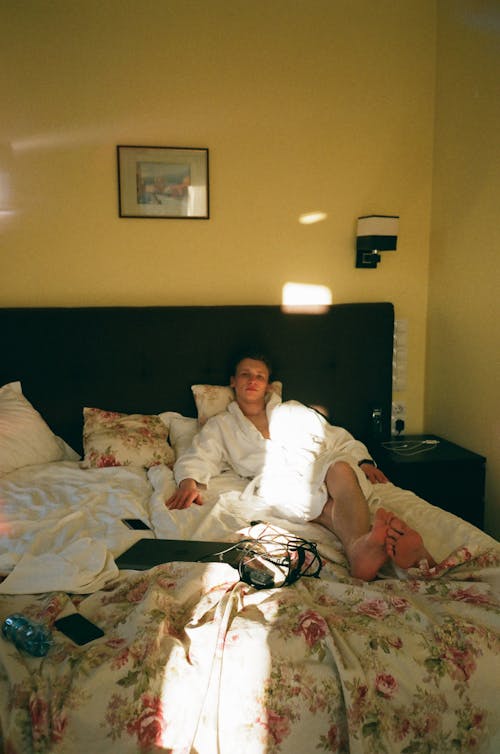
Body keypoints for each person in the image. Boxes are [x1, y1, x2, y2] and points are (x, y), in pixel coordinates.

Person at [166, 352, 435, 581]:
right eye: (245, 374)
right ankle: (366, 546)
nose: (252, 380)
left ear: (269, 385)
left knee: (341, 468)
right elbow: (200, 454)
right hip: (275, 481)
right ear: (233, 382)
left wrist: (363, 462)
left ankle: (360, 549)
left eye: (259, 376)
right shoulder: (221, 425)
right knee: (321, 503)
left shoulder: (295, 411)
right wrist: (189, 480)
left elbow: (338, 437)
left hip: (319, 468)